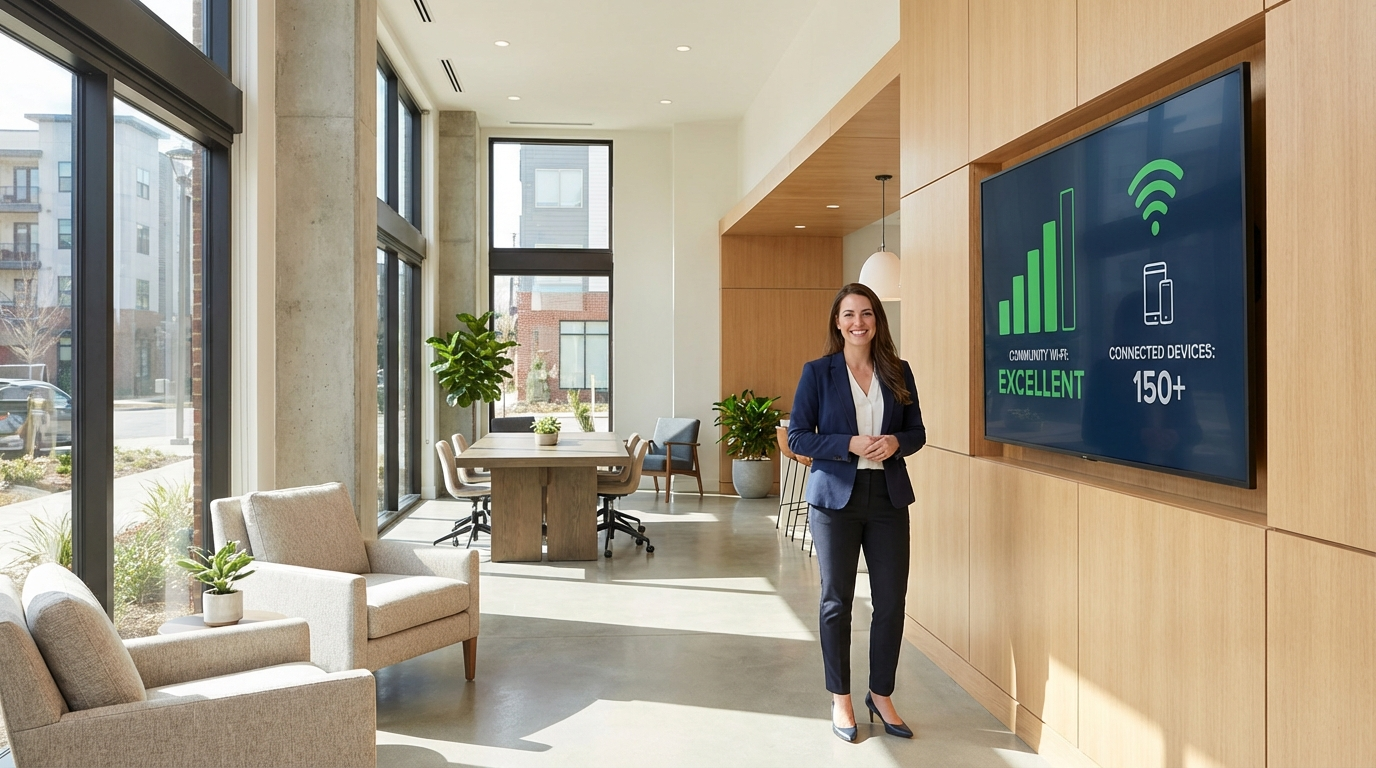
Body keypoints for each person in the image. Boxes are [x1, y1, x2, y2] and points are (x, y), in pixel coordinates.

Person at [788, 282, 926, 742]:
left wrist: (896, 443)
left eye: (866, 314)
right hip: (834, 501)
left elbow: (917, 432)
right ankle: (841, 698)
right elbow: (798, 438)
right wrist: (846, 443)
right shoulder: (818, 372)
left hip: (888, 498)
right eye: (849, 314)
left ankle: (881, 694)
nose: (858, 322)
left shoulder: (897, 371)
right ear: (837, 322)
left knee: (890, 601)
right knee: (837, 602)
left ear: (877, 321)